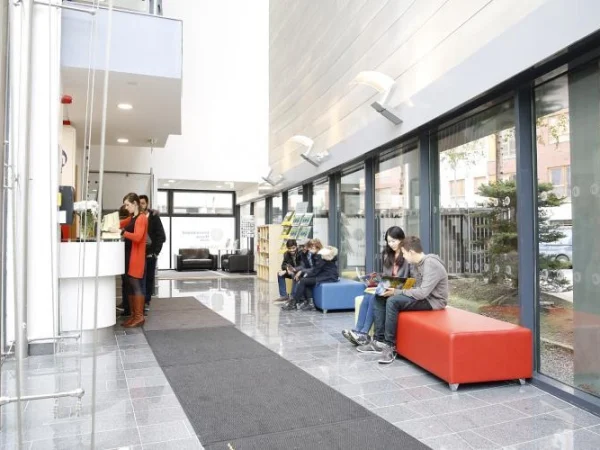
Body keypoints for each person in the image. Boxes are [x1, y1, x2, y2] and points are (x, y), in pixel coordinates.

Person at [357, 235, 449, 364]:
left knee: (393, 301)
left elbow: (422, 293)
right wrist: (393, 286)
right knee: (380, 296)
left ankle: (390, 346)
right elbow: (416, 287)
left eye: (404, 253)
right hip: (423, 296)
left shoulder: (430, 264)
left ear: (411, 252)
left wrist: (396, 292)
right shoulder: (417, 264)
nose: (404, 257)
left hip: (433, 301)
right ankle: (379, 341)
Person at [342, 226, 410, 346]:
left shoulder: (407, 256)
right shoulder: (388, 254)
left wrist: (391, 286)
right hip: (388, 286)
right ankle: (358, 330)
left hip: (398, 289)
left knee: (374, 297)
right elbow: (387, 275)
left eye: (393, 241)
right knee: (367, 295)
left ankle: (364, 334)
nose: (391, 244)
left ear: (401, 239)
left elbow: (407, 279)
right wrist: (374, 278)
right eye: (388, 241)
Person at [109, 193, 148, 328]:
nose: (126, 207)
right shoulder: (132, 218)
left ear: (135, 204)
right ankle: (133, 315)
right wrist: (109, 224)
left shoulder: (141, 218)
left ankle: (139, 317)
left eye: (127, 205)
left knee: (136, 286)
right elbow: (119, 224)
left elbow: (138, 237)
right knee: (131, 285)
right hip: (130, 255)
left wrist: (121, 232)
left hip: (136, 257)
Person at [282, 239, 339, 311]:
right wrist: (305, 274)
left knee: (303, 281)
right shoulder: (319, 254)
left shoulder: (321, 255)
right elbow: (316, 269)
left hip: (328, 277)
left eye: (311, 248)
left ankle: (294, 303)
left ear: (316, 247)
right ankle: (310, 303)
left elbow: (316, 270)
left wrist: (306, 275)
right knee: (305, 280)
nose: (309, 250)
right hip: (324, 275)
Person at [139, 195, 166, 312]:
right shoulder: (136, 216)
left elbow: (162, 236)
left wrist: (156, 252)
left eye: (143, 203)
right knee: (140, 279)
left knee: (149, 279)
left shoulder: (154, 217)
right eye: (139, 203)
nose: (141, 205)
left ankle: (146, 302)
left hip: (150, 254)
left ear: (147, 204)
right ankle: (139, 302)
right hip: (138, 254)